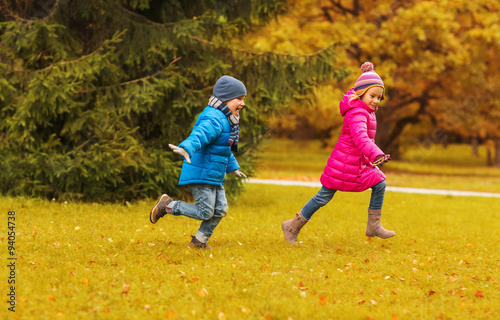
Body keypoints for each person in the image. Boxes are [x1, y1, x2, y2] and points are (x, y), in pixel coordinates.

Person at [281, 62, 395, 244]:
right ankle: (292, 226)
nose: (375, 100)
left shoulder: (366, 112)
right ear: (361, 93)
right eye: (372, 95)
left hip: (356, 164)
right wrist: (376, 154)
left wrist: (371, 157)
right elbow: (360, 138)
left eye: (379, 97)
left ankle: (374, 225)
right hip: (344, 164)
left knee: (379, 183)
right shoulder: (357, 113)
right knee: (323, 197)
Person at [149, 75, 247, 249]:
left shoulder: (226, 119)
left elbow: (222, 149)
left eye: (243, 99)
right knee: (205, 212)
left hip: (213, 174)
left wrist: (233, 168)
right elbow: (200, 135)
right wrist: (187, 148)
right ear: (225, 99)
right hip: (201, 172)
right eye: (239, 99)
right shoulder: (214, 118)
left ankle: (199, 241)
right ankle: (168, 205)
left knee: (220, 210)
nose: (242, 103)